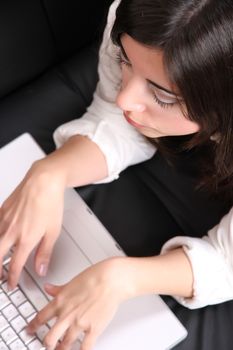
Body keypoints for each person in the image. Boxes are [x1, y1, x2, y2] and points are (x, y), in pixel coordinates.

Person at [1, 0, 233, 349]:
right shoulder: (136, 16)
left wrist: (122, 277)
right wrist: (50, 171)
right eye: (125, 60)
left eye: (162, 94)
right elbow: (116, 116)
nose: (126, 97)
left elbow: (226, 264)